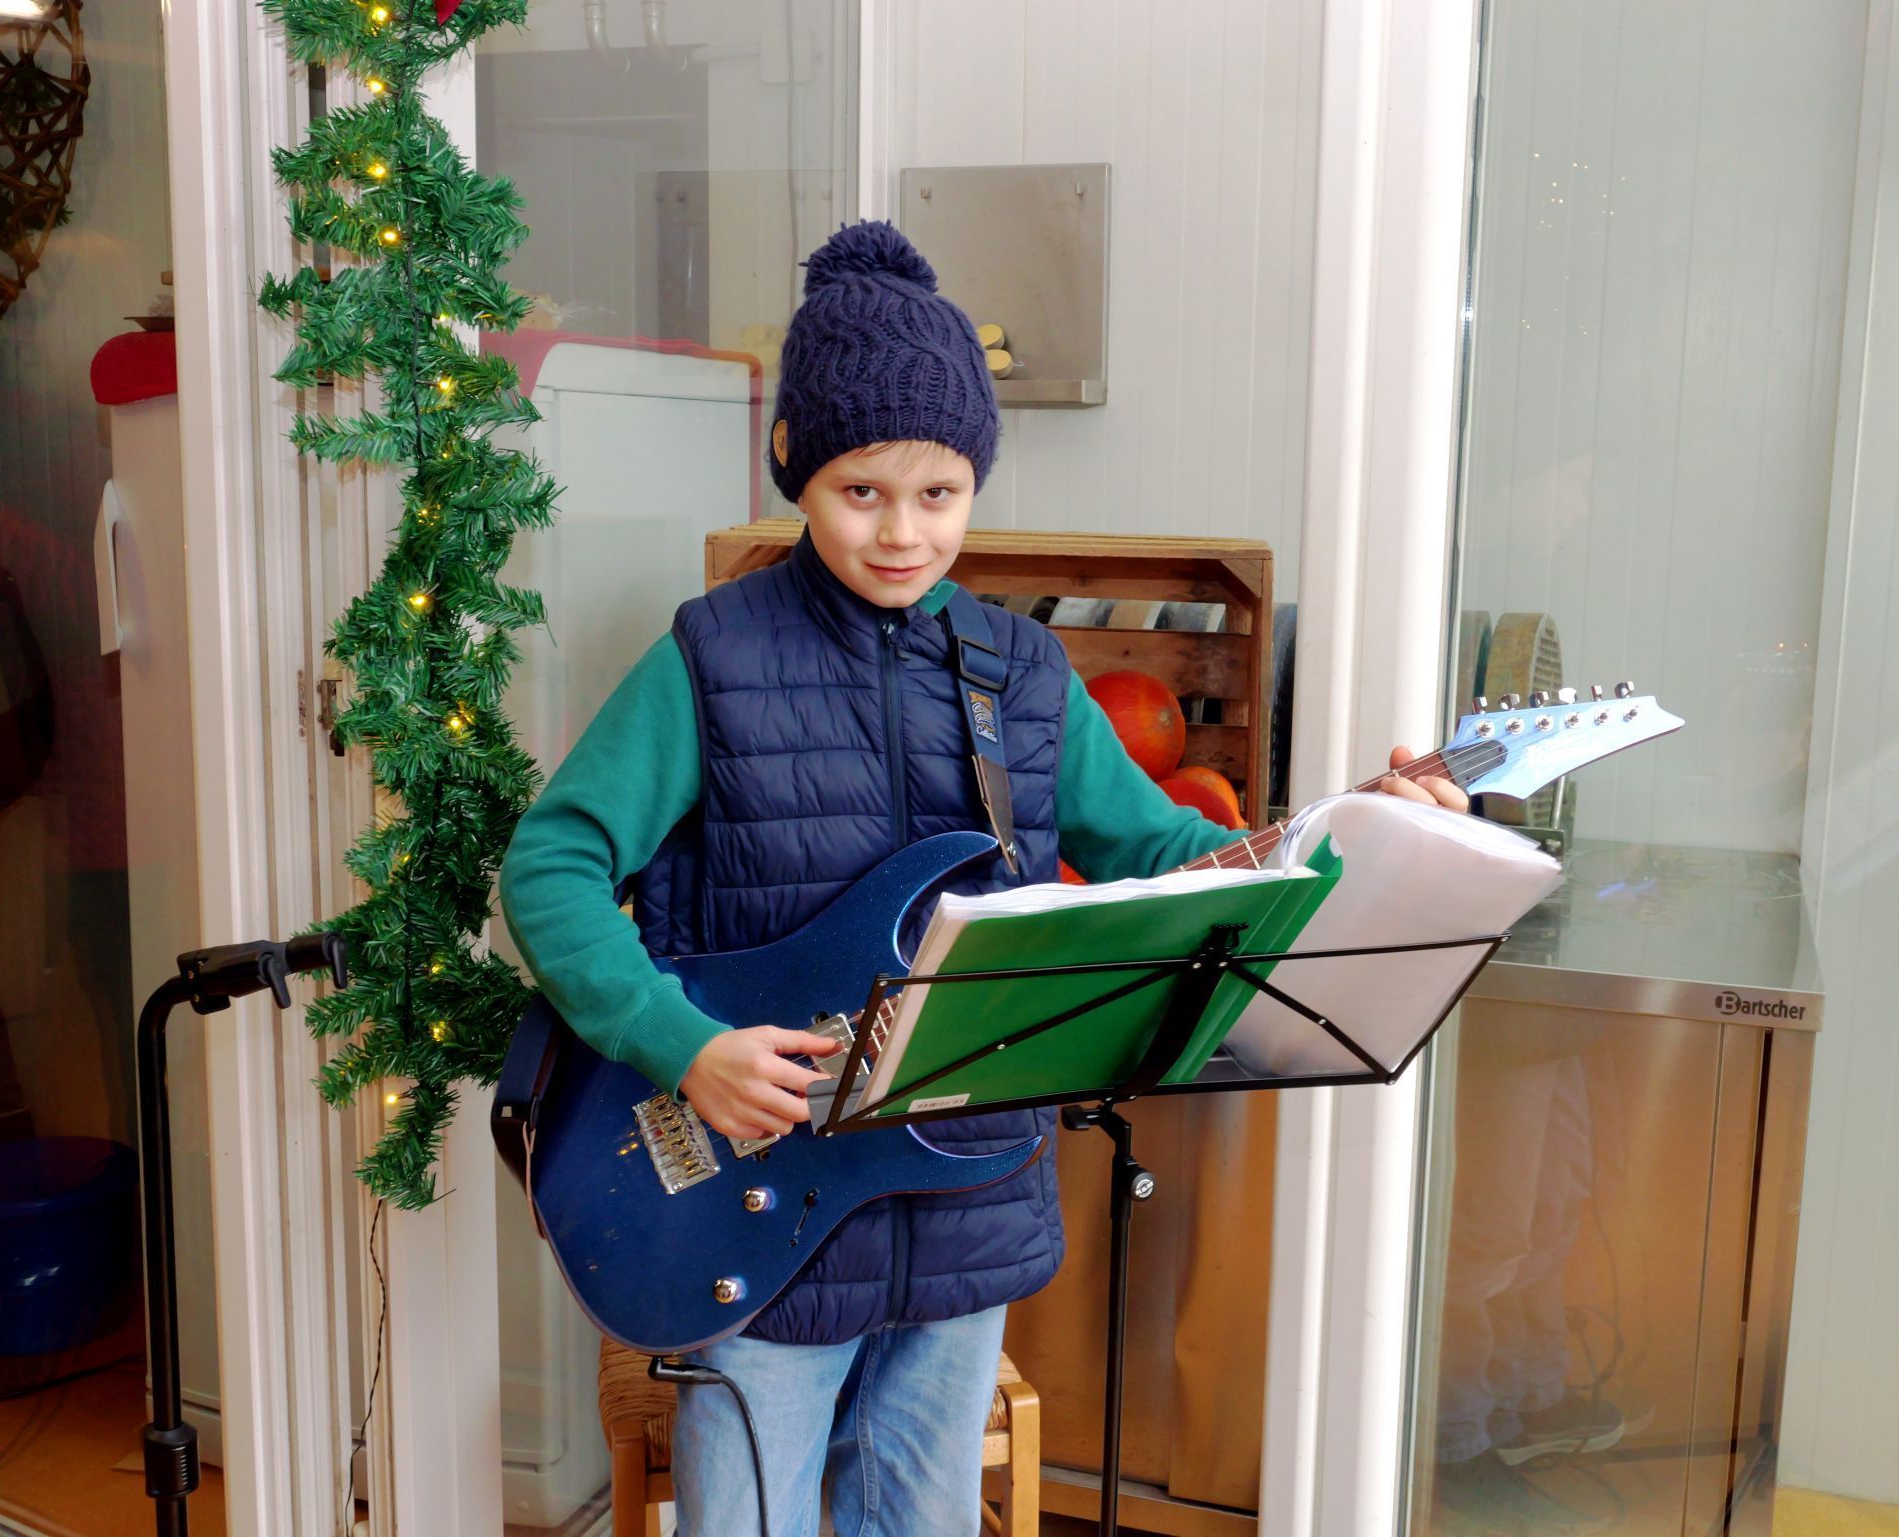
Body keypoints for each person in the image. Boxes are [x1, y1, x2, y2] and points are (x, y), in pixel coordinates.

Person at [498, 220, 1467, 1537]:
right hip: (758, 1202)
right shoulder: (709, 662)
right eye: (861, 492)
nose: (902, 533)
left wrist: (1361, 825)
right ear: (798, 472)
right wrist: (683, 1045)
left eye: (939, 494)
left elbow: (1176, 859)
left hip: (966, 1206)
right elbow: (552, 863)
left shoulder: (1023, 673)